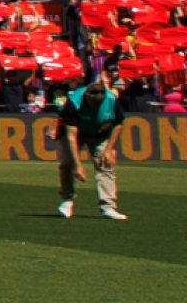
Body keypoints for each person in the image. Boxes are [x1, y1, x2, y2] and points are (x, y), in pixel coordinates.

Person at [52, 66, 135, 221]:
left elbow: (118, 123)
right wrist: (78, 164)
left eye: (99, 102)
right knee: (67, 163)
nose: (97, 106)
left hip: (100, 133)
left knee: (106, 164)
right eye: (94, 102)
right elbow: (71, 136)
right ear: (87, 96)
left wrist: (109, 149)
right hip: (77, 133)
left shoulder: (111, 100)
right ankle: (67, 200)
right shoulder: (73, 104)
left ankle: (108, 207)